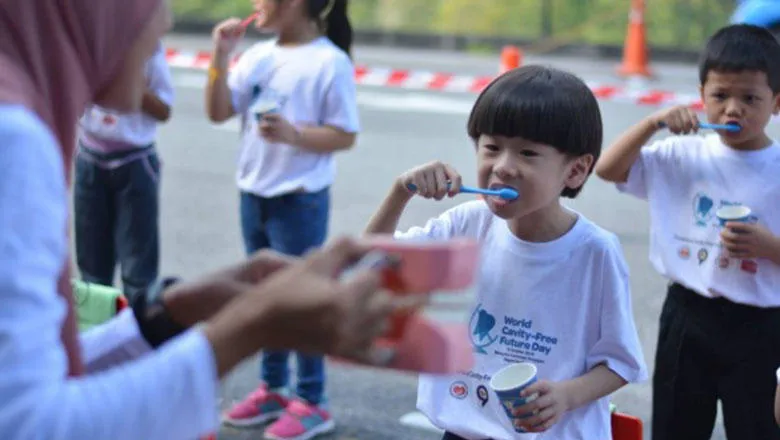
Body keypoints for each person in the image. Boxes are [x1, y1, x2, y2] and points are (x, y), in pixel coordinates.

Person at [0, 1, 406, 439]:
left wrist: (164, 317)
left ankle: (307, 397)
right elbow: (29, 425)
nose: (166, 20)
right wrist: (249, 326)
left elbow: (22, 382)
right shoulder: (15, 139)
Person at [364, 65, 647, 440]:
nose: (503, 167)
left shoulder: (595, 253)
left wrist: (566, 396)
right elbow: (370, 266)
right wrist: (401, 190)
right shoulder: (466, 224)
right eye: (491, 147)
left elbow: (619, 362)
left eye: (528, 153)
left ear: (576, 171)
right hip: (463, 431)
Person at [595, 24, 780, 440]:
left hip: (763, 325)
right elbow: (608, 169)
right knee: (676, 425)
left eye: (750, 98)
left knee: (757, 428)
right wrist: (653, 122)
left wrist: (769, 247)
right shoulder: (682, 153)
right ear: (702, 97)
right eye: (720, 96)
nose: (734, 109)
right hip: (687, 314)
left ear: (777, 103)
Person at [205, 1, 358, 438]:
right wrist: (220, 55)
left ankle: (312, 399)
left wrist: (295, 135)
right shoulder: (257, 56)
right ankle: (274, 387)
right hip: (254, 195)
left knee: (302, 296)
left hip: (299, 200)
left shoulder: (330, 61)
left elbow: (345, 134)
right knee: (265, 292)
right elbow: (218, 111)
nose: (255, 4)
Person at [74, 41, 173, 302]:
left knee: (138, 273)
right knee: (92, 272)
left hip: (134, 163)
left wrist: (131, 83)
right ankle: (95, 340)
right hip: (89, 160)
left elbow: (164, 110)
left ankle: (135, 337)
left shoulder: (147, 45)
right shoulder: (89, 39)